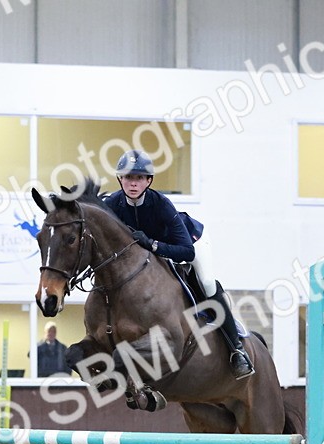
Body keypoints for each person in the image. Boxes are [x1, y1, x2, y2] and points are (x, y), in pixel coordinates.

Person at [102, 149, 253, 380]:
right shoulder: (112, 204)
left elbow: (186, 251)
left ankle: (237, 350)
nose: (133, 183)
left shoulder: (161, 204)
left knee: (206, 283)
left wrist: (152, 245)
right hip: (149, 258)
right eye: (128, 177)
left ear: (148, 181)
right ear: (119, 179)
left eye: (139, 178)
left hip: (189, 242)